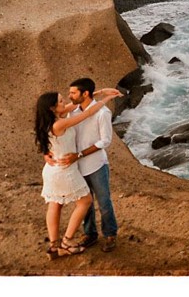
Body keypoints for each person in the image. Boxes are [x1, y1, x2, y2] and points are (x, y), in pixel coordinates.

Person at [33, 88, 118, 259]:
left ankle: (54, 246)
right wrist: (106, 99)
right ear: (52, 108)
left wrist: (95, 93)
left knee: (55, 205)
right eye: (61, 101)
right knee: (85, 201)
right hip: (65, 170)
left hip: (52, 169)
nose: (65, 102)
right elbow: (87, 113)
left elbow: (75, 105)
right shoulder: (59, 124)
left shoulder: (47, 122)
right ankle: (67, 241)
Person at [68, 77, 121, 252]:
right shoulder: (73, 112)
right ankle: (90, 234)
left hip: (96, 164)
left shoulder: (102, 113)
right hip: (78, 166)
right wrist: (100, 93)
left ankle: (110, 234)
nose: (70, 96)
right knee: (85, 203)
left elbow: (105, 141)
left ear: (85, 94)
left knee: (104, 202)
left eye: (73, 93)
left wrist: (80, 154)